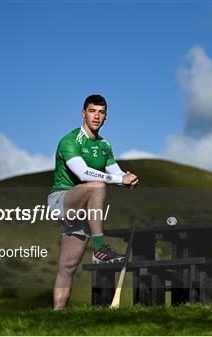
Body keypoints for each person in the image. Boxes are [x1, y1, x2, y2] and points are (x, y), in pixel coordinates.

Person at [47, 94, 139, 309]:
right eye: (92, 111)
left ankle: (56, 316)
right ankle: (100, 249)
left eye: (101, 112)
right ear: (83, 113)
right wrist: (119, 179)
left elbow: (115, 172)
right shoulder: (69, 141)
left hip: (85, 208)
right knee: (96, 185)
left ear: (106, 116)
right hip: (62, 200)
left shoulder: (105, 145)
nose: (96, 116)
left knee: (68, 267)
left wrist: (128, 178)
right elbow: (83, 173)